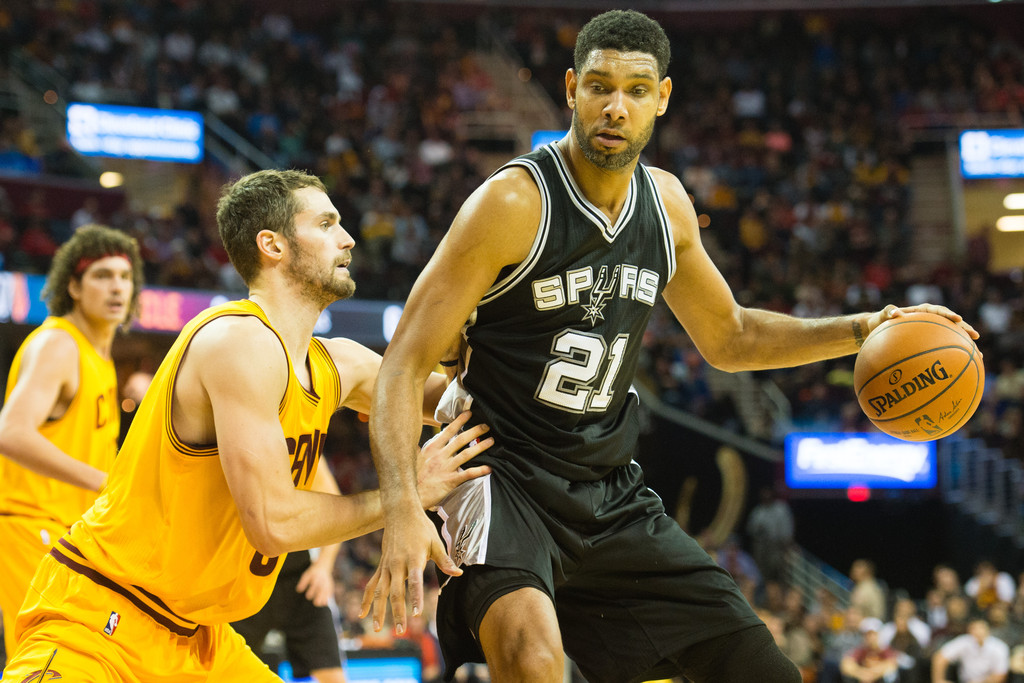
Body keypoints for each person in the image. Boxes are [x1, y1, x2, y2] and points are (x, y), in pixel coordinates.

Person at [361, 9, 980, 683]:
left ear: (662, 98)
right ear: (570, 89)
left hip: (608, 487)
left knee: (762, 669)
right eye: (599, 86)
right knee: (533, 660)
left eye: (635, 90)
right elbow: (402, 367)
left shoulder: (667, 206)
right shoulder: (512, 204)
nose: (615, 107)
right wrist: (402, 504)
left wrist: (866, 328)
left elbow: (732, 336)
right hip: (502, 476)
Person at [1, 169, 492, 682]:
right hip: (103, 619)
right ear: (272, 245)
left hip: (197, 636)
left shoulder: (338, 362)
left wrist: (467, 336)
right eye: (326, 224)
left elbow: (458, 400)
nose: (348, 239)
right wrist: (403, 498)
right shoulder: (238, 342)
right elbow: (274, 524)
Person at [0, 224, 143, 663]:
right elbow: (11, 432)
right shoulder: (58, 344)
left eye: (124, 276)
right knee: (45, 666)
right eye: (102, 275)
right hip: (30, 527)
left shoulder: (100, 358)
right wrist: (107, 482)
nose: (117, 286)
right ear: (74, 287)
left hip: (71, 537)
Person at [230, 461, 346, 683]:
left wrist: (324, 567)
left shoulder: (306, 446)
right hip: (245, 580)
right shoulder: (230, 445)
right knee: (229, 670)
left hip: (299, 578)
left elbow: (336, 507)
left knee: (332, 675)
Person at [931, 617, 1009, 683]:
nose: (978, 632)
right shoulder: (964, 641)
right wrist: (939, 680)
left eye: (981, 628)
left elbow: (1000, 676)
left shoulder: (999, 647)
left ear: (988, 630)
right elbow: (939, 658)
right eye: (974, 628)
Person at [840, 617, 899, 683]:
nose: (870, 637)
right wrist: (861, 673)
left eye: (873, 634)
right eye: (867, 634)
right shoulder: (861, 649)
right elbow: (846, 664)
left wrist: (873, 673)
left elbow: (892, 665)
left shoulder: (884, 649)